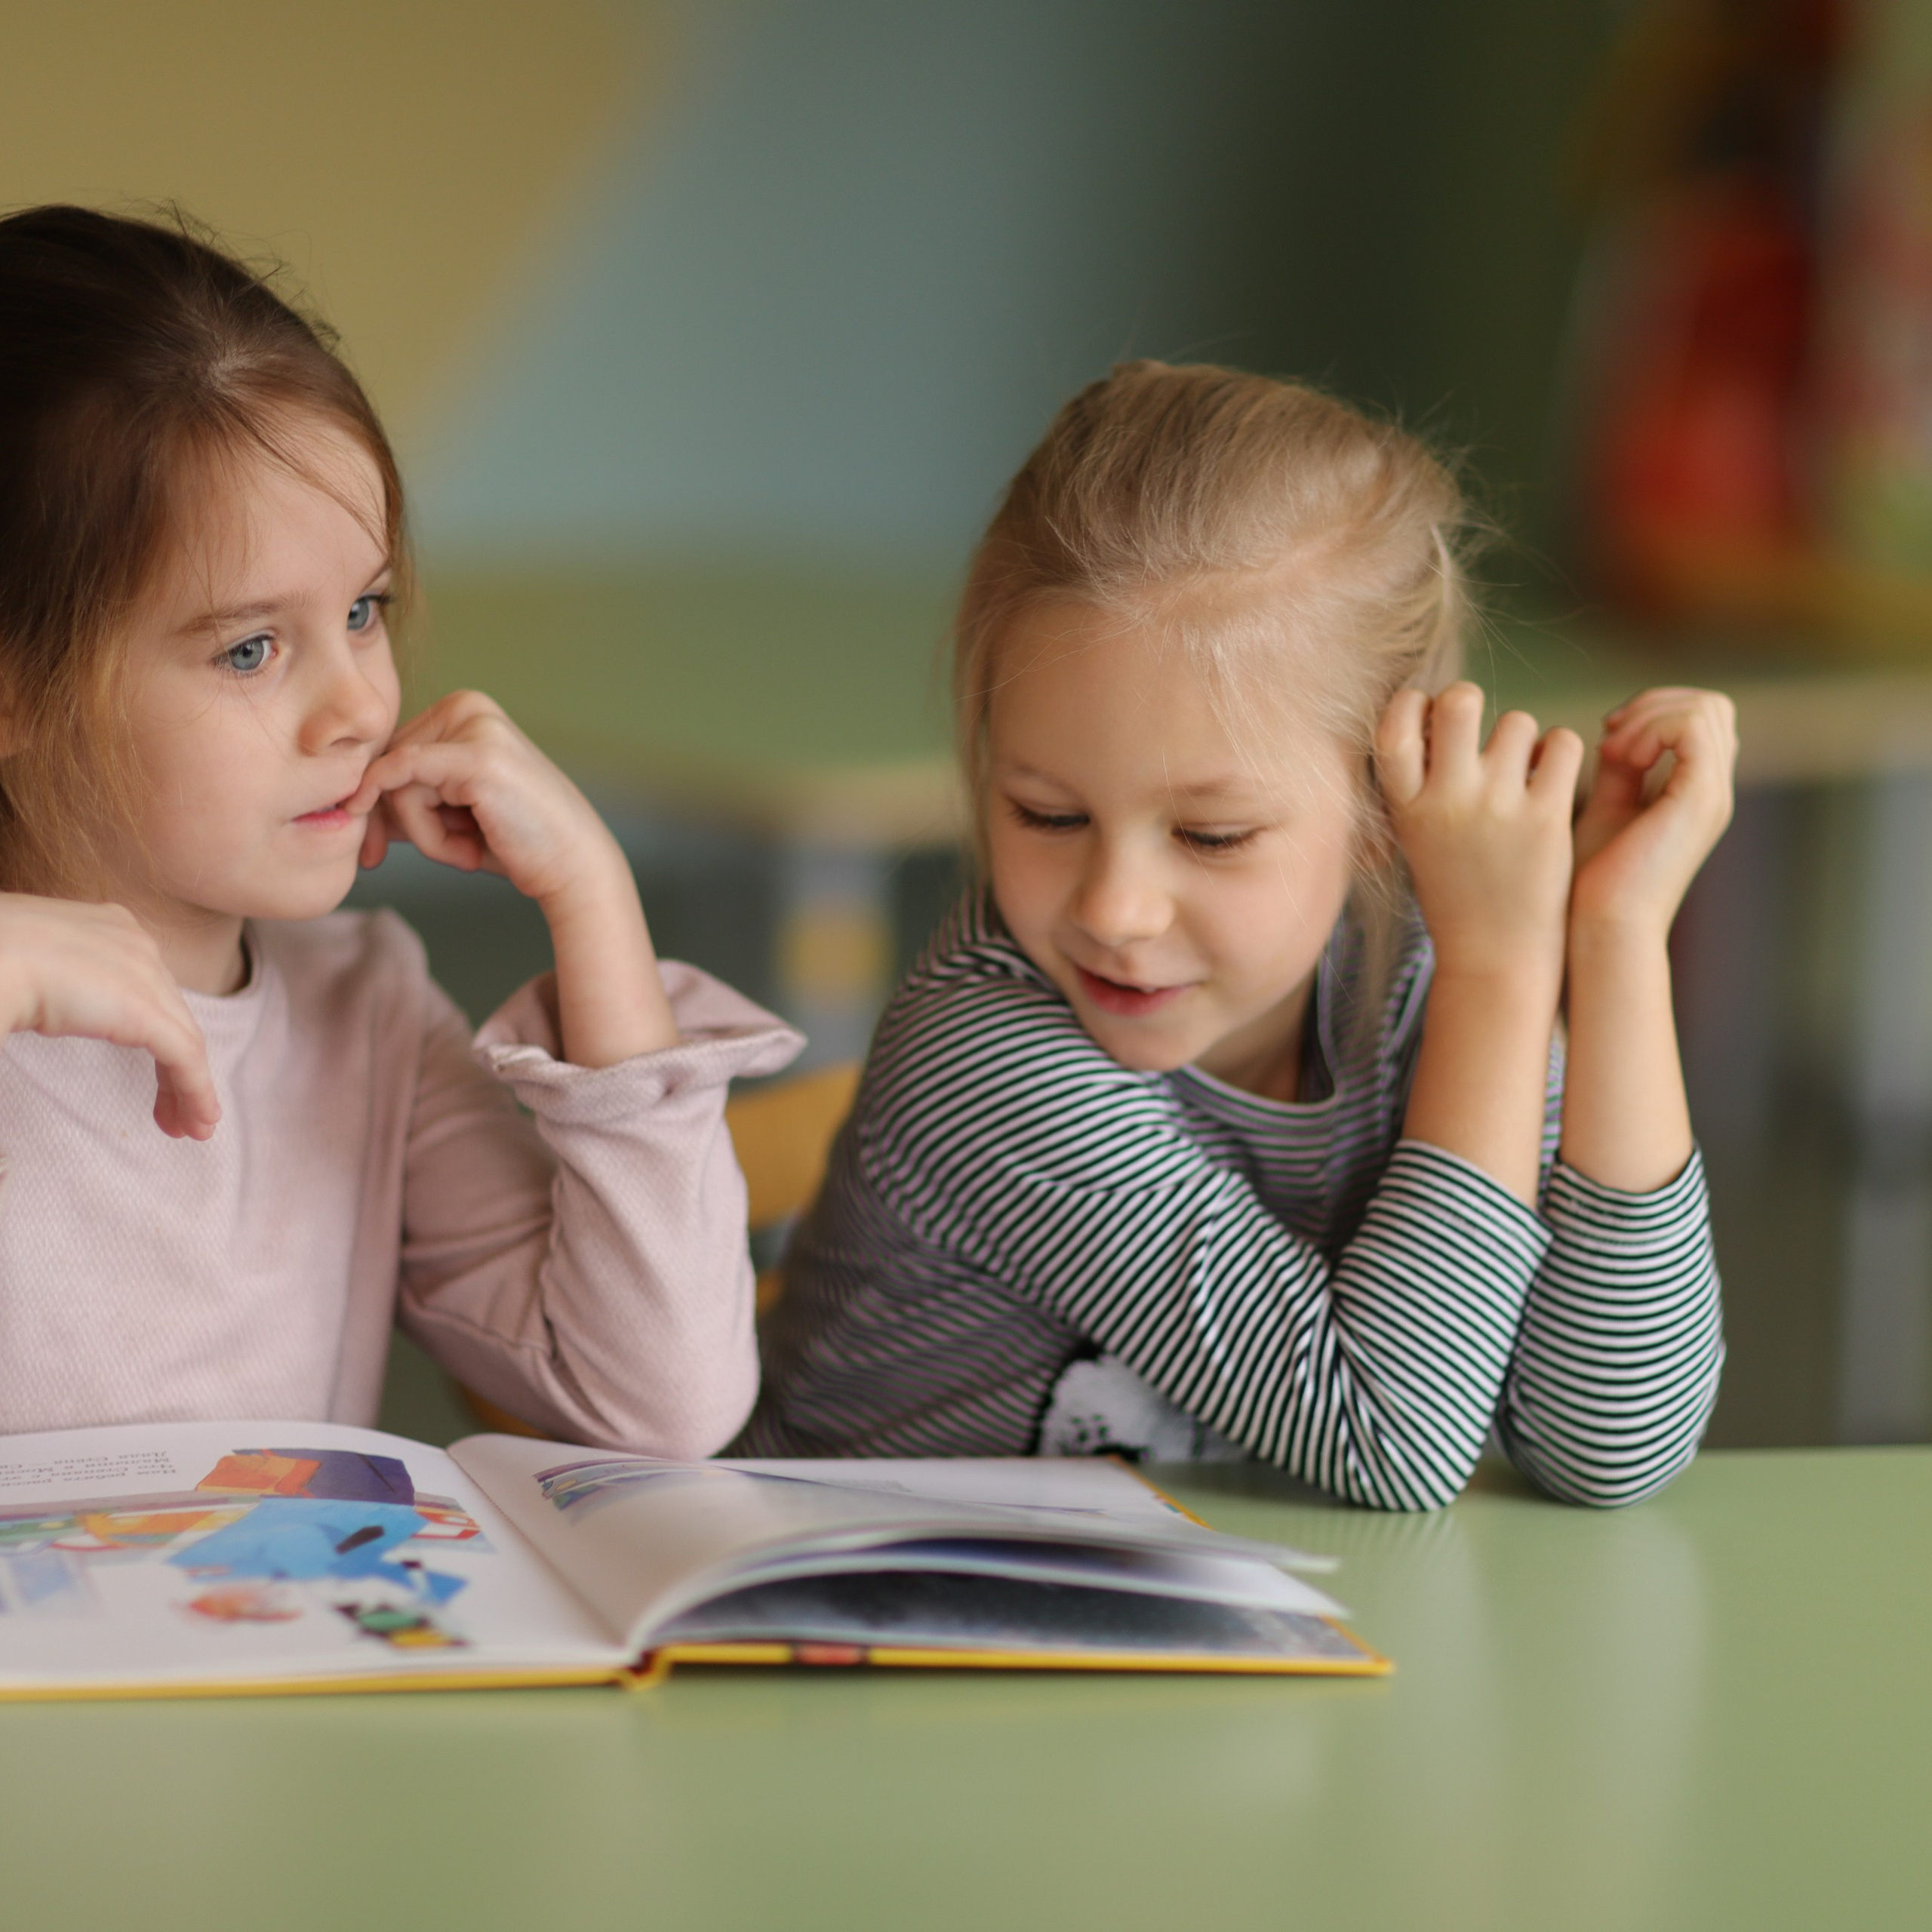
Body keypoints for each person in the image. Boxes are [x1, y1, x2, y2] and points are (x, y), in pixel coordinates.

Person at [744, 361, 1732, 1509]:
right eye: (1047, 814)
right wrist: (1507, 970)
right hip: (855, 1633)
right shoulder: (986, 1054)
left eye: (1210, 836)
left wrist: (1611, 936)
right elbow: (1392, 1442)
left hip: (1213, 1645)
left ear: (1384, 810)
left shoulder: (1425, 976)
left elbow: (1612, 1444)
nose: (1115, 909)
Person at [0, 205, 801, 1446]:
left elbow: (660, 1405)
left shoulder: (364, 1014)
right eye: (251, 649)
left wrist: (597, 906)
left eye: (365, 611)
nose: (358, 707)